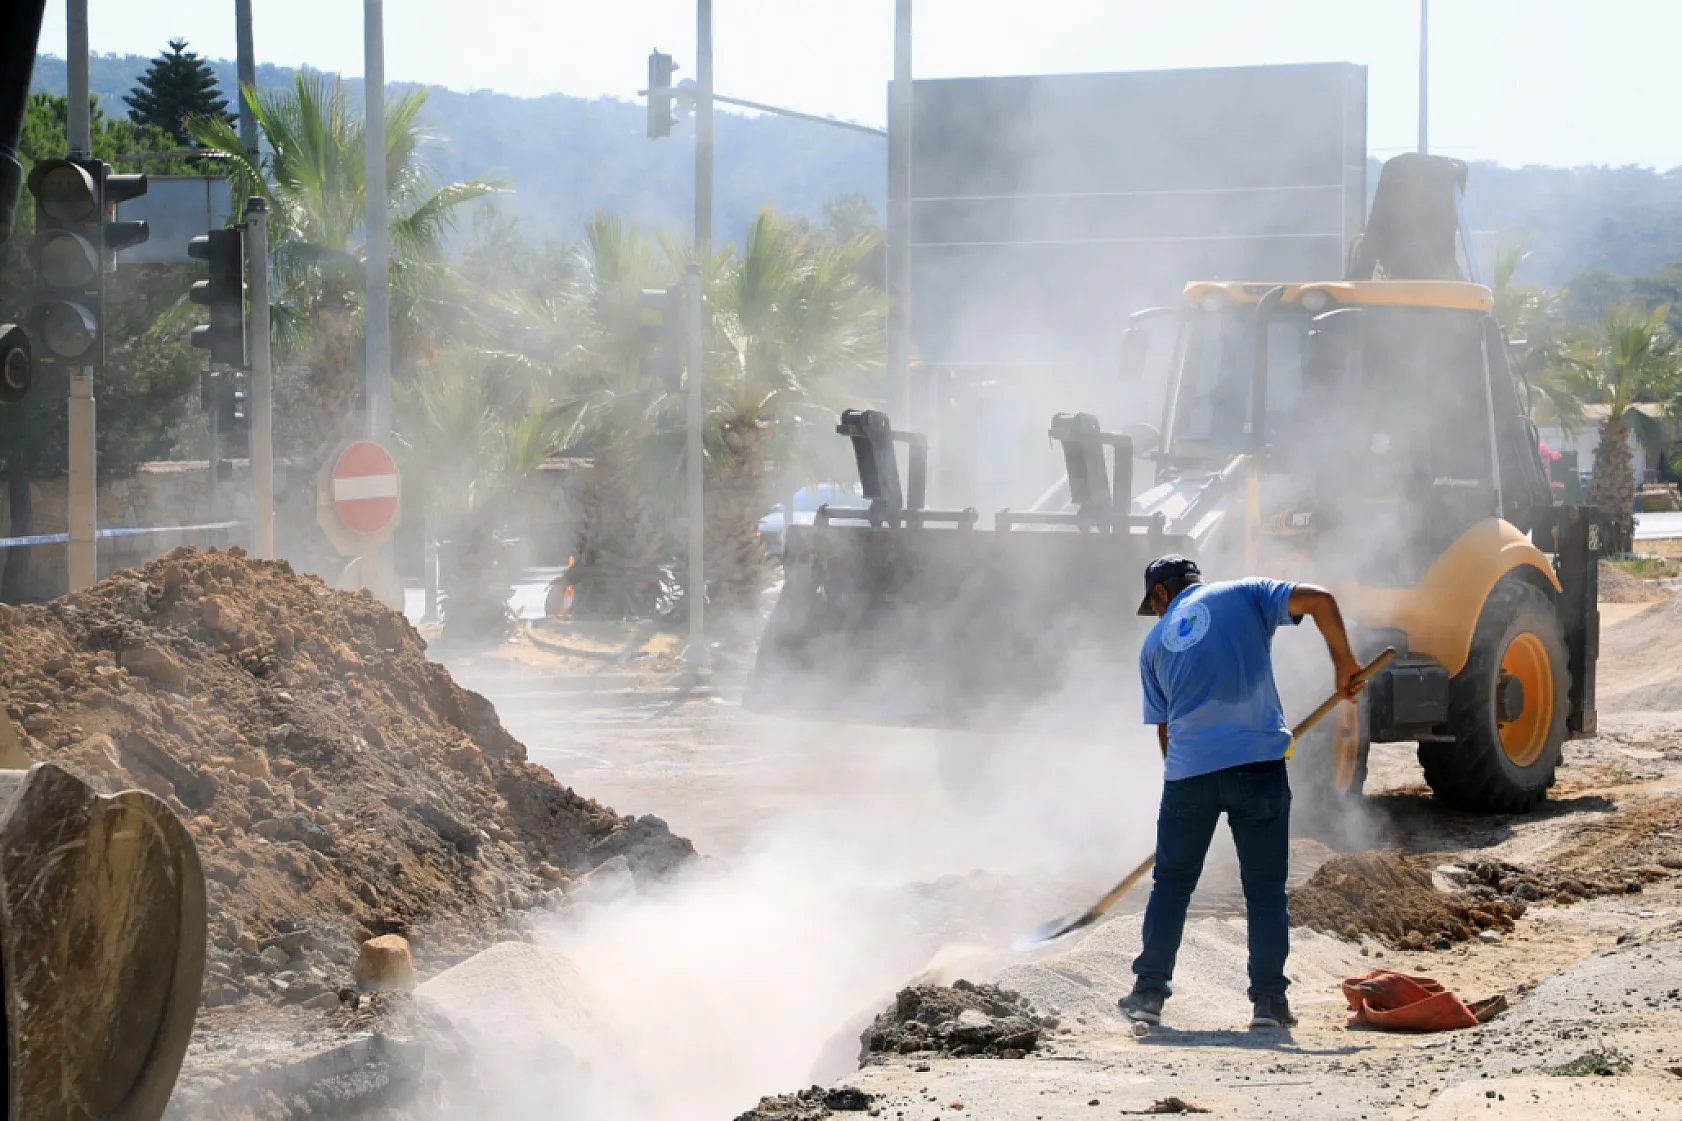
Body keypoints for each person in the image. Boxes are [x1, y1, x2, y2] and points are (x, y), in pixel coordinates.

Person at [1117, 555, 1364, 1031]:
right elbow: (1322, 601)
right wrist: (1344, 663)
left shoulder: (1152, 646)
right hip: (1259, 766)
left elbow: (1166, 734)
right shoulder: (1244, 593)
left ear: (1160, 595)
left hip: (1189, 774)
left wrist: (1186, 791)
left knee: (1172, 883)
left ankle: (1148, 994)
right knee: (1265, 889)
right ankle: (1268, 1004)